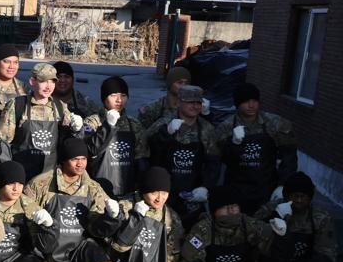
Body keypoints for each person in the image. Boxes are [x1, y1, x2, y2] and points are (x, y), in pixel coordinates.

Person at [23, 138, 123, 262]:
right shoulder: (41, 183)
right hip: (48, 251)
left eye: (84, 158)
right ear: (63, 160)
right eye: (75, 159)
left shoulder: (92, 187)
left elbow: (97, 228)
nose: (80, 164)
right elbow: (24, 213)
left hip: (77, 248)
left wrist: (111, 218)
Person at [216, 82, 297, 213]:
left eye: (254, 100)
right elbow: (220, 160)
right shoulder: (226, 127)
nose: (251, 105)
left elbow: (289, 156)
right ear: (238, 103)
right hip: (236, 190)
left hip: (266, 189)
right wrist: (234, 144)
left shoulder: (275, 124)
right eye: (246, 101)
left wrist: (283, 185)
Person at [0, 63, 82, 182]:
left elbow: (69, 144)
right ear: (32, 81)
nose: (48, 86)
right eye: (43, 81)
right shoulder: (18, 105)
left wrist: (77, 130)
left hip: (50, 179)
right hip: (21, 177)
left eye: (52, 81)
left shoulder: (60, 107)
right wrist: (9, 175)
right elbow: (2, 144)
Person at [146, 85, 220, 225]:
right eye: (189, 102)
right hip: (165, 192)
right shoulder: (164, 123)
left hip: (192, 193)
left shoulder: (206, 129)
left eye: (197, 102)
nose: (194, 106)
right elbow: (146, 151)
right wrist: (165, 133)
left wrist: (206, 187)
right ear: (179, 102)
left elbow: (213, 163)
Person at [84, 76, 149, 198]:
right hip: (97, 191)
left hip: (127, 191)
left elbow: (141, 158)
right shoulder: (92, 122)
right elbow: (89, 150)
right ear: (104, 98)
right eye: (114, 95)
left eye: (123, 95)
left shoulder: (133, 124)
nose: (119, 100)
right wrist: (107, 126)